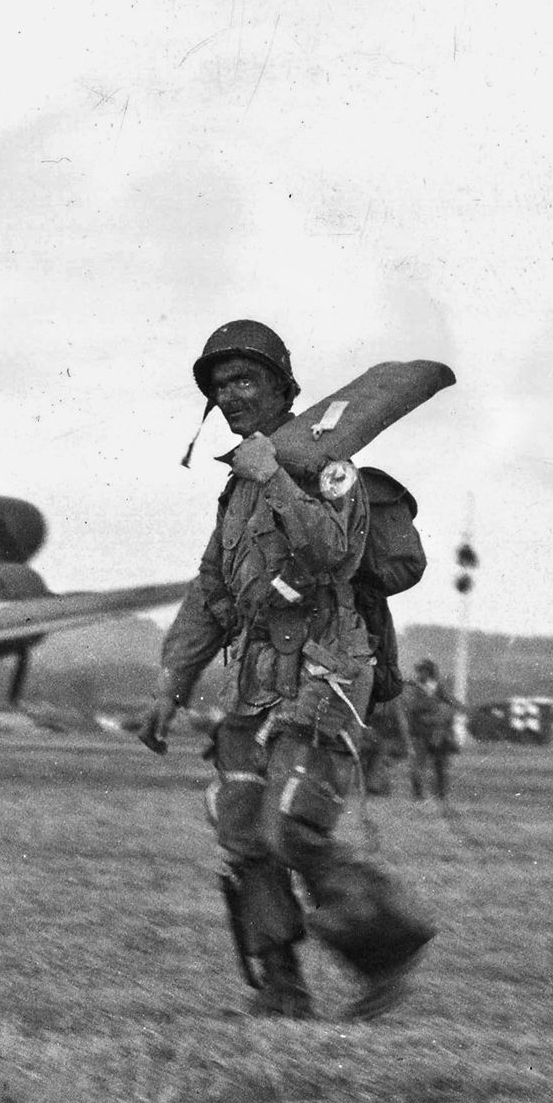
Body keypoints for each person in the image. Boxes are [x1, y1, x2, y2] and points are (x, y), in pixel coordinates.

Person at [142, 319, 434, 1021]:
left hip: (323, 667)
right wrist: (170, 684)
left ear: (282, 388)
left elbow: (335, 552)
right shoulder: (236, 489)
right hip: (255, 677)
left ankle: (390, 950)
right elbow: (213, 592)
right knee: (241, 825)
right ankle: (280, 986)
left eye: (246, 381)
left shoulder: (329, 469)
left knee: (291, 827)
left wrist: (275, 475)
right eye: (221, 387)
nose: (232, 395)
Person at [399, 659, 460, 802]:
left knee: (440, 763)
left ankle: (441, 792)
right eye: (420, 670)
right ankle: (418, 793)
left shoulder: (438, 687)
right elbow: (410, 706)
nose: (421, 673)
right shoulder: (412, 687)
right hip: (418, 730)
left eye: (424, 670)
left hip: (436, 731)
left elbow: (451, 702)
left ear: (430, 672)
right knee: (418, 763)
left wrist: (445, 713)